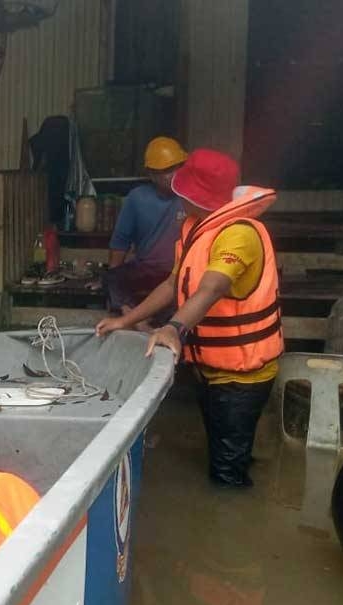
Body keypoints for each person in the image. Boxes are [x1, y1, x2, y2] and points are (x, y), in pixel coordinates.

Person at [96, 149, 283, 487]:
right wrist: (126, 320)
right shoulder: (196, 226)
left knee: (226, 474)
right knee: (226, 447)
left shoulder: (239, 233)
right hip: (211, 368)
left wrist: (173, 328)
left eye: (183, 191)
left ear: (198, 196)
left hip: (242, 375)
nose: (177, 196)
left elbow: (212, 287)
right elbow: (172, 284)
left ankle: (231, 520)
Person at [103, 137, 188, 327]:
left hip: (176, 273)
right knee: (112, 277)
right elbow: (120, 242)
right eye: (167, 170)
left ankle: (147, 320)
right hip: (145, 270)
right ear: (152, 175)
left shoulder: (189, 198)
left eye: (178, 167)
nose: (174, 174)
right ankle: (132, 316)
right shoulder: (137, 198)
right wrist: (113, 284)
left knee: (183, 291)